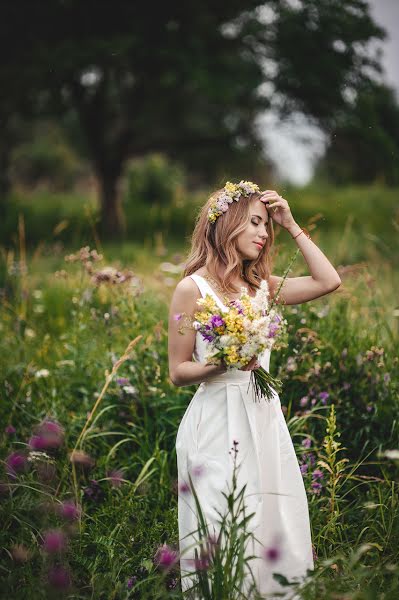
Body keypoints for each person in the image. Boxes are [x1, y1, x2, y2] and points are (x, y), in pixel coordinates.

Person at [168, 181, 342, 598]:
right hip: (213, 422)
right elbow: (177, 370)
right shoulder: (191, 289)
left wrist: (292, 223)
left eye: (268, 227)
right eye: (256, 223)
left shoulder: (262, 288)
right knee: (219, 523)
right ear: (227, 224)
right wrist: (221, 363)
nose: (265, 235)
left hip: (262, 417)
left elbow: (328, 280)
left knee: (271, 519)